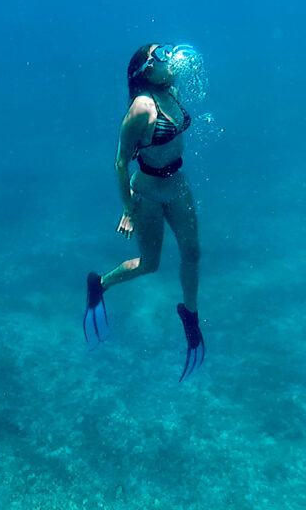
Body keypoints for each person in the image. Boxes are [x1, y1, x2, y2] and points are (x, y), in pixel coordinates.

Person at [84, 43, 205, 382]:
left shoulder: (172, 90)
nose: (170, 59)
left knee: (193, 252)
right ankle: (99, 284)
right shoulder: (141, 107)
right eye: (160, 55)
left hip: (177, 183)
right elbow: (121, 162)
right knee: (150, 265)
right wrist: (127, 209)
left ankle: (190, 317)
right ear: (145, 71)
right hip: (149, 191)